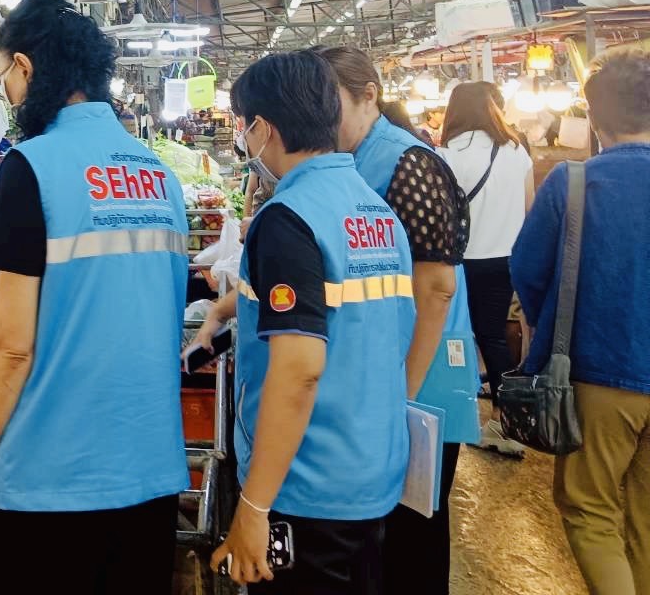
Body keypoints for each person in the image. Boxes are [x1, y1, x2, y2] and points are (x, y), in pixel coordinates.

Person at [0, 0, 189, 595]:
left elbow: (10, 349)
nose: (9, 93)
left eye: (4, 78)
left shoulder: (31, 168)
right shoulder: (160, 176)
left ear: (25, 68)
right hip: (150, 478)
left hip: (47, 485)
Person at [193, 51, 414, 592]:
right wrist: (225, 312)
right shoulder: (374, 211)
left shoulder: (288, 219)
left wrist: (253, 506)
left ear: (263, 128)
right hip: (372, 470)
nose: (244, 141)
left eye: (243, 128)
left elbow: (299, 371)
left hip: (307, 484)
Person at [316, 47, 478, 595]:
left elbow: (436, 287)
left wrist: (401, 394)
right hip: (385, 375)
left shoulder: (408, 163)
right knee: (383, 537)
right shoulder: (353, 159)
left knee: (413, 536)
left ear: (369, 95)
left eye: (329, 101)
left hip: (421, 376)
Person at [511, 46, 650, 595]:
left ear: (592, 115)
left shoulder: (573, 182)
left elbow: (528, 269)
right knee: (645, 516)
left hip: (599, 372)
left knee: (589, 508)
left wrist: (555, 327)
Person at [439, 82, 535, 458]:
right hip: (507, 258)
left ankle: (458, 413)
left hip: (462, 261)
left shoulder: (447, 154)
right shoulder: (516, 150)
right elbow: (529, 207)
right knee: (493, 337)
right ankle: (504, 421)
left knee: (458, 336)